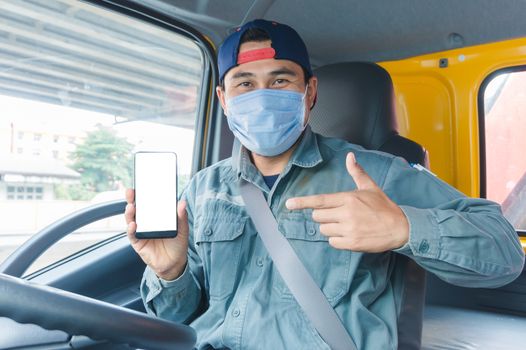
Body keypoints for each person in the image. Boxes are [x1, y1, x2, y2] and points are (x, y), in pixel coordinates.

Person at [125, 19, 525, 349]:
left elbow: (505, 251)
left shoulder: (373, 174)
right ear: (224, 99)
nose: (261, 96)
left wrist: (403, 227)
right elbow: (174, 322)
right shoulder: (202, 189)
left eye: (280, 80)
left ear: (309, 92)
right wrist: (171, 272)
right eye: (244, 84)